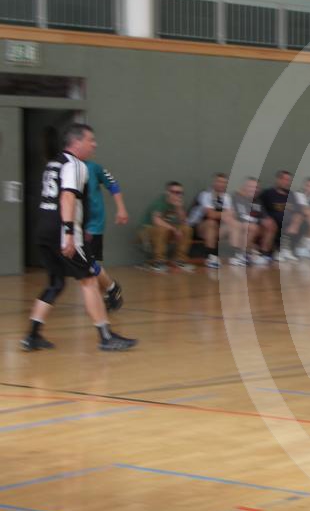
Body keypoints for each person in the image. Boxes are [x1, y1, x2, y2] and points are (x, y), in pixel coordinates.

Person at [21, 123, 136, 352]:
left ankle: (32, 336)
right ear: (76, 142)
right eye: (90, 140)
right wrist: (68, 232)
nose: (94, 144)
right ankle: (106, 337)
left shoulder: (53, 163)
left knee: (56, 283)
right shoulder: (75, 165)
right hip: (61, 231)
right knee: (89, 280)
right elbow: (67, 198)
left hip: (43, 229)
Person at [83, 158, 128, 310]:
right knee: (88, 266)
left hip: (92, 225)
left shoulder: (94, 168)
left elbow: (112, 184)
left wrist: (121, 209)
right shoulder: (67, 166)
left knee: (89, 264)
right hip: (76, 224)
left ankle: (111, 289)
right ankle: (109, 291)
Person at [139, 181, 194, 273]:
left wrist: (179, 208)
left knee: (186, 229)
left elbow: (184, 221)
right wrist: (174, 229)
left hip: (165, 231)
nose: (177, 195)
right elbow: (156, 220)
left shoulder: (178, 203)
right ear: (167, 192)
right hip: (145, 231)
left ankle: (180, 260)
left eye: (180, 193)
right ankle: (158, 262)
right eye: (174, 192)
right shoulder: (160, 202)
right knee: (162, 229)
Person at [188, 173, 235, 269]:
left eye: (224, 182)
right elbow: (210, 215)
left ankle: (240, 255)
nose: (221, 184)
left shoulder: (227, 197)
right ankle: (211, 257)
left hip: (216, 227)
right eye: (219, 181)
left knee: (236, 225)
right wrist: (225, 214)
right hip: (196, 227)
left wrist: (226, 216)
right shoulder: (205, 195)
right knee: (211, 223)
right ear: (214, 183)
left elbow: (230, 216)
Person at [229, 177, 271, 267]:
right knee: (252, 227)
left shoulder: (258, 201)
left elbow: (264, 217)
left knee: (270, 225)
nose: (254, 189)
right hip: (235, 225)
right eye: (251, 187)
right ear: (244, 187)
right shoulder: (236, 197)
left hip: (252, 226)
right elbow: (238, 216)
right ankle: (240, 255)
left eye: (257, 187)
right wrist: (258, 220)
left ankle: (261, 254)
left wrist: (266, 221)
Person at [259, 170, 292, 261]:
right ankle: (272, 251)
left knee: (301, 222)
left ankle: (287, 250)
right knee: (275, 223)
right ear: (278, 180)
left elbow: (298, 209)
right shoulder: (267, 193)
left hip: (288, 222)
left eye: (288, 180)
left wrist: (296, 221)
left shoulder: (291, 195)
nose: (286, 182)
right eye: (284, 179)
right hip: (272, 221)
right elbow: (258, 207)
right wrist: (265, 217)